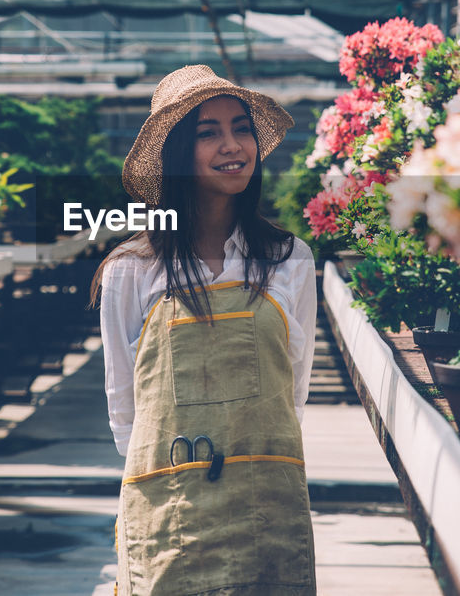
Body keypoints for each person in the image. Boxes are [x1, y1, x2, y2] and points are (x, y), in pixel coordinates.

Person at [92, 65, 318, 596]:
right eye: (208, 133)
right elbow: (125, 410)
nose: (232, 145)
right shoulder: (131, 268)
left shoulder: (291, 261)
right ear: (176, 155)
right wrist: (159, 493)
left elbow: (294, 390)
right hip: (171, 510)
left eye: (241, 128)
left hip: (267, 502)